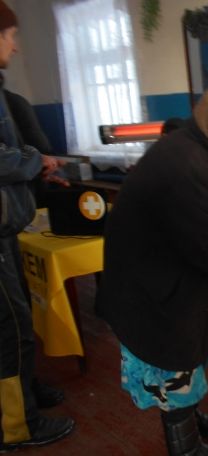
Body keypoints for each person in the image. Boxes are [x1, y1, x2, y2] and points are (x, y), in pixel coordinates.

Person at [95, 82, 208, 456]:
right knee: (173, 365)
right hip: (150, 291)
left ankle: (190, 419)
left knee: (188, 356)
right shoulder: (189, 167)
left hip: (162, 278)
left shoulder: (195, 148)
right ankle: (187, 449)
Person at [0, 1, 75, 452]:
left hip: (7, 229)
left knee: (19, 319)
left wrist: (35, 167)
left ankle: (25, 393)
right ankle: (17, 426)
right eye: (10, 36)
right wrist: (35, 159)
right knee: (9, 329)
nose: (14, 46)